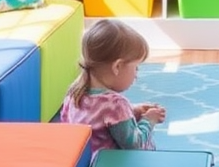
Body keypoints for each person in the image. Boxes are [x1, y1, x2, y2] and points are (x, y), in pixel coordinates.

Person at [60, 17, 166, 156]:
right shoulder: (116, 104)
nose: (136, 75)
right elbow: (135, 145)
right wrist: (149, 120)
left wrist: (133, 111)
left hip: (81, 162)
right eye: (135, 67)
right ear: (117, 67)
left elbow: (97, 121)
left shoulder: (74, 92)